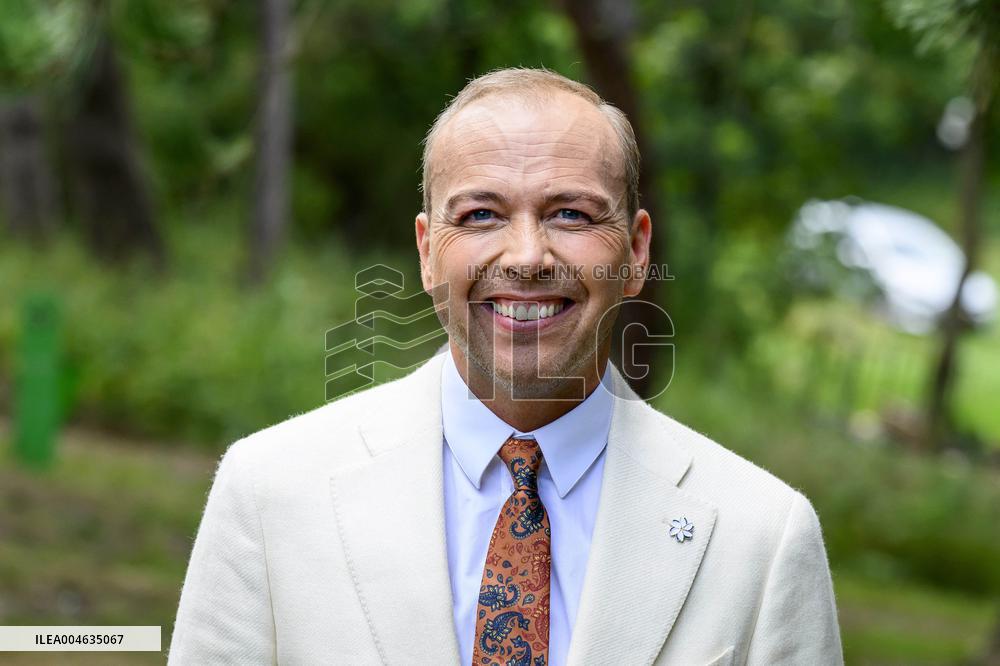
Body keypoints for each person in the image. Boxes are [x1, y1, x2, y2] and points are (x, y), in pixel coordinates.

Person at [168, 67, 843, 665]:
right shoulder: (269, 494)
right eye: (482, 214)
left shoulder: (763, 536)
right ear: (429, 251)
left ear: (637, 251)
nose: (526, 256)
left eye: (571, 214)